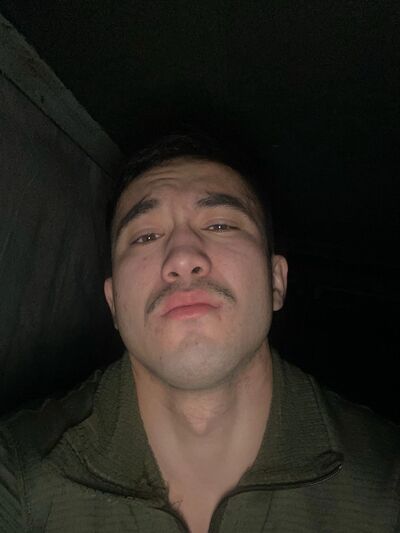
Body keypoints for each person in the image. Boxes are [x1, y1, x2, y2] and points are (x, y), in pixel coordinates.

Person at [0, 132, 399, 533]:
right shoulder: (18, 474)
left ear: (276, 281)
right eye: (145, 236)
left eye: (220, 224)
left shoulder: (387, 483)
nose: (183, 257)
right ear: (113, 302)